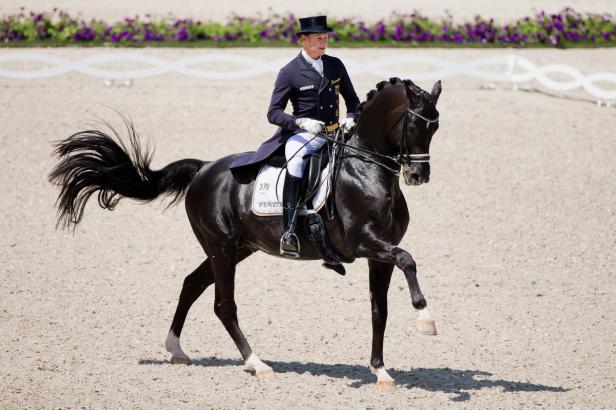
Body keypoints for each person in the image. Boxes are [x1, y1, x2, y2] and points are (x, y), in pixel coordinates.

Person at [229, 15, 360, 258]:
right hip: (304, 134)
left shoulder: (335, 65)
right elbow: (273, 112)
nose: (323, 43)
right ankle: (289, 230)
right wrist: (299, 121)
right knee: (297, 161)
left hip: (335, 133)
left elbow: (352, 99)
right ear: (303, 40)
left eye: (326, 38)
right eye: (318, 39)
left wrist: (352, 116)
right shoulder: (289, 72)